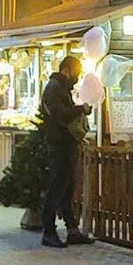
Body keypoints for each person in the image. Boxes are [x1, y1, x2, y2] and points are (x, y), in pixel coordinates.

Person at [37, 54, 92, 248]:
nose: (77, 77)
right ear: (66, 70)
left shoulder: (61, 88)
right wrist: (80, 110)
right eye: (76, 73)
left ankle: (72, 230)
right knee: (56, 187)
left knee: (67, 188)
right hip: (58, 144)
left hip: (65, 143)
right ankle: (49, 232)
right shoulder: (54, 88)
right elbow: (59, 114)